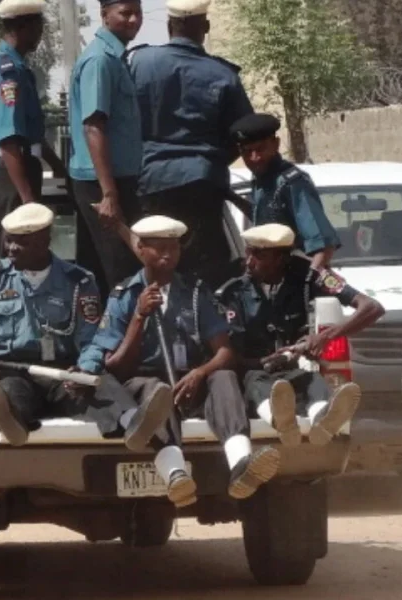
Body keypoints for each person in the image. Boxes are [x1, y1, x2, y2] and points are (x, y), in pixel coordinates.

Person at [0, 203, 173, 451]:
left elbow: (93, 338)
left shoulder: (78, 281)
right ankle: (11, 422)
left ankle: (134, 424)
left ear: (45, 240)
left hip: (63, 372)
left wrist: (85, 368)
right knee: (9, 393)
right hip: (14, 370)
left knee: (100, 385)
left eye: (21, 242)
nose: (11, 248)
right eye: (8, 240)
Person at [78, 215, 281, 507]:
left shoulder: (197, 293)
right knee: (155, 391)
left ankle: (241, 463)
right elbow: (117, 367)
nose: (167, 254)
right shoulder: (123, 296)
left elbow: (225, 352)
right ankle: (175, 475)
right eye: (158, 248)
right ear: (140, 250)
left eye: (173, 248)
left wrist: (200, 372)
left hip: (188, 379)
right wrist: (139, 316)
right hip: (146, 381)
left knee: (223, 376)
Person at [217, 224, 385, 447]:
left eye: (259, 255)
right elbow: (227, 354)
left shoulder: (309, 275)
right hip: (254, 371)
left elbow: (372, 308)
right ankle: (282, 422)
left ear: (281, 258)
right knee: (258, 384)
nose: (249, 262)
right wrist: (264, 361)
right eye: (248, 252)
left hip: (294, 368)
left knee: (312, 381)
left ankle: (323, 421)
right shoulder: (233, 290)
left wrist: (324, 337)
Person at [126, 0, 254, 291]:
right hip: (202, 183)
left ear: (170, 26)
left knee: (154, 266)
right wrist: (215, 159)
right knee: (204, 273)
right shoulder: (223, 74)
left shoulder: (140, 63)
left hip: (151, 181)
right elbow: (244, 133)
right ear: (205, 28)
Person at [0, 0, 66, 265]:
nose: (41, 33)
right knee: (14, 261)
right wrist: (27, 199)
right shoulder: (8, 72)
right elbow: (10, 139)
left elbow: (30, 133)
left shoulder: (16, 67)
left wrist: (57, 166)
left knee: (28, 262)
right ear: (24, 27)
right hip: (10, 174)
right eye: (39, 26)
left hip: (17, 167)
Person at [68, 0, 145, 293]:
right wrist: (109, 194)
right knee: (122, 275)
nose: (134, 20)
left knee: (104, 276)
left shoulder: (116, 57)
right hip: (102, 184)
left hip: (113, 181)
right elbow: (93, 127)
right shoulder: (100, 60)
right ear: (104, 15)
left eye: (137, 13)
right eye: (125, 13)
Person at [230, 113, 341, 271]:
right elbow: (265, 218)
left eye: (260, 149)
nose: (254, 158)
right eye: (247, 152)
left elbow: (323, 246)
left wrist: (306, 283)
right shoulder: (260, 179)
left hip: (295, 277)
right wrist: (231, 196)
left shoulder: (292, 183)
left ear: (275, 144)